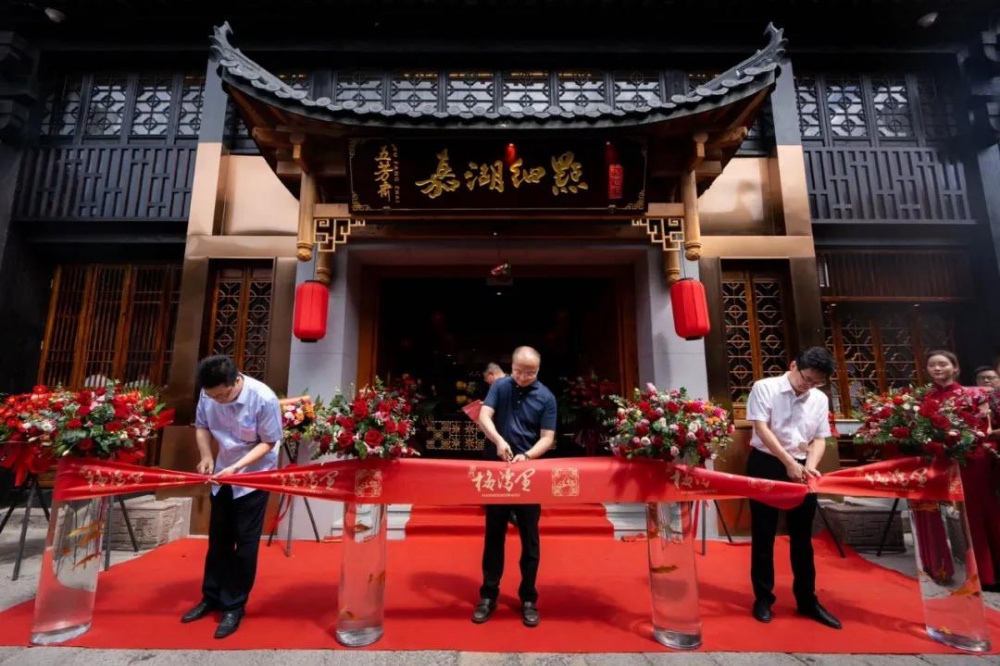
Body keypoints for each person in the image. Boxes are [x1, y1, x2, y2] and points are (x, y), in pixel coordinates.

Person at [180, 355, 283, 639]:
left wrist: (238, 468)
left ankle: (234, 605)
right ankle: (211, 596)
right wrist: (206, 456)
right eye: (213, 396)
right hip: (222, 474)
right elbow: (202, 426)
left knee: (245, 543)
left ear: (237, 381)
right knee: (218, 539)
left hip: (253, 476)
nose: (218, 401)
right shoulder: (209, 393)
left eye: (222, 395)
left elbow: (269, 441)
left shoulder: (263, 398)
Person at [746, 346, 841, 629]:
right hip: (766, 462)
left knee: (802, 537)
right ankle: (763, 598)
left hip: (802, 467)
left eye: (816, 383)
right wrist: (788, 463)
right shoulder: (765, 387)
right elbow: (761, 427)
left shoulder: (819, 398)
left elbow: (820, 438)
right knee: (764, 534)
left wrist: (809, 466)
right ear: (793, 366)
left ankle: (807, 599)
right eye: (806, 379)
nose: (808, 386)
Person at [474, 346, 556, 627]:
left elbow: (547, 437)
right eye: (519, 371)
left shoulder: (546, 397)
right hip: (497, 471)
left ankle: (529, 597)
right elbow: (484, 416)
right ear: (511, 367)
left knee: (530, 538)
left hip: (528, 475)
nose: (523, 377)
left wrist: (528, 456)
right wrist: (499, 441)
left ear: (538, 370)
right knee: (493, 534)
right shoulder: (500, 386)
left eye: (530, 373)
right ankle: (488, 594)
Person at [924, 351, 1000, 593]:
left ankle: (990, 575)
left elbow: (985, 428)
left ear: (955, 368)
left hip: (972, 460)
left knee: (982, 513)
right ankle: (969, 571)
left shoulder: (973, 394)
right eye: (932, 365)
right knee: (962, 515)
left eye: (942, 364)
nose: (937, 368)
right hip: (942, 460)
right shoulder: (924, 399)